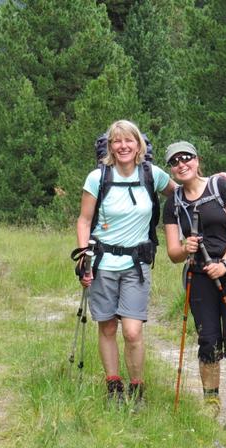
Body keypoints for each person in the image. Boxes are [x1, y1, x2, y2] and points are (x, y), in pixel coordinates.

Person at [76, 120, 174, 405]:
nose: (123, 146)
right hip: (103, 262)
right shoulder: (97, 178)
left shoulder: (152, 174)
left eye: (128, 140)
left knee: (132, 331)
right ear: (110, 147)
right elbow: (84, 220)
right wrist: (84, 256)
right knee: (107, 327)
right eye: (117, 141)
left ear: (138, 145)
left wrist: (218, 182)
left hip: (136, 264)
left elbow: (183, 190)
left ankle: (137, 387)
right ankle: (113, 386)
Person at [162, 141, 226, 435]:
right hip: (199, 275)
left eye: (186, 158)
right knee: (208, 341)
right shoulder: (173, 203)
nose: (181, 164)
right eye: (174, 161)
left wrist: (225, 263)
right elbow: (173, 253)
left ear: (197, 160)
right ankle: (210, 402)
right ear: (172, 169)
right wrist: (184, 248)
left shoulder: (222, 187)